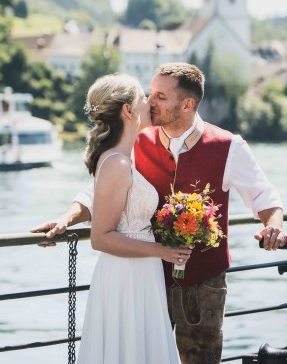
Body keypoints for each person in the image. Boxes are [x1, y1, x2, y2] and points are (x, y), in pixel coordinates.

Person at [32, 62, 287, 364]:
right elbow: (98, 193)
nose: (151, 101)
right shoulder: (137, 140)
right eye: (150, 93)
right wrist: (67, 218)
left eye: (160, 96)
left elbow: (263, 195)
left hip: (203, 283)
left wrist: (274, 225)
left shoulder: (228, 146)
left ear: (187, 104)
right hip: (146, 279)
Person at [70, 73, 190, 364]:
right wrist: (162, 251)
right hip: (125, 278)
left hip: (141, 274)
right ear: (128, 110)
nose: (150, 102)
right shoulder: (116, 162)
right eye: (142, 97)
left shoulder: (126, 157)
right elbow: (101, 237)